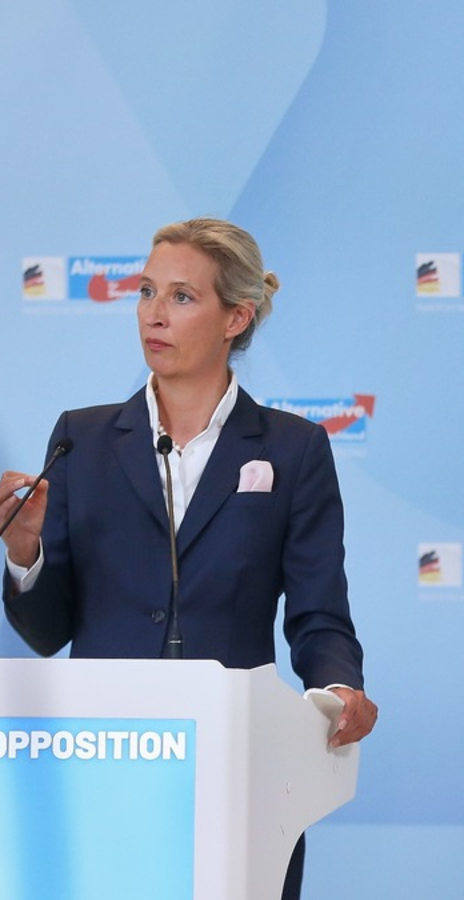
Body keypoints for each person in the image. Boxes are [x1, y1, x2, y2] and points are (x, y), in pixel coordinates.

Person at [0, 217, 378, 897]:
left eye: (181, 296)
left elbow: (319, 614)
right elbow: (49, 632)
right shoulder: (82, 439)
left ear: (237, 317)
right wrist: (25, 550)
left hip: (238, 764)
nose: (154, 313)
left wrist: (340, 687)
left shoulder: (293, 450)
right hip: (104, 764)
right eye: (147, 292)